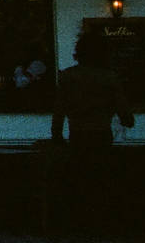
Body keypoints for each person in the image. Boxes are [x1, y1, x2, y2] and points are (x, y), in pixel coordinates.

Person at [50, 34, 134, 230]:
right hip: (101, 133)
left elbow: (59, 109)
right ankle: (100, 221)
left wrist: (57, 134)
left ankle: (79, 221)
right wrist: (126, 118)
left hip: (77, 133)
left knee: (79, 178)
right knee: (101, 178)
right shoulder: (109, 78)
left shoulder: (68, 77)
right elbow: (125, 113)